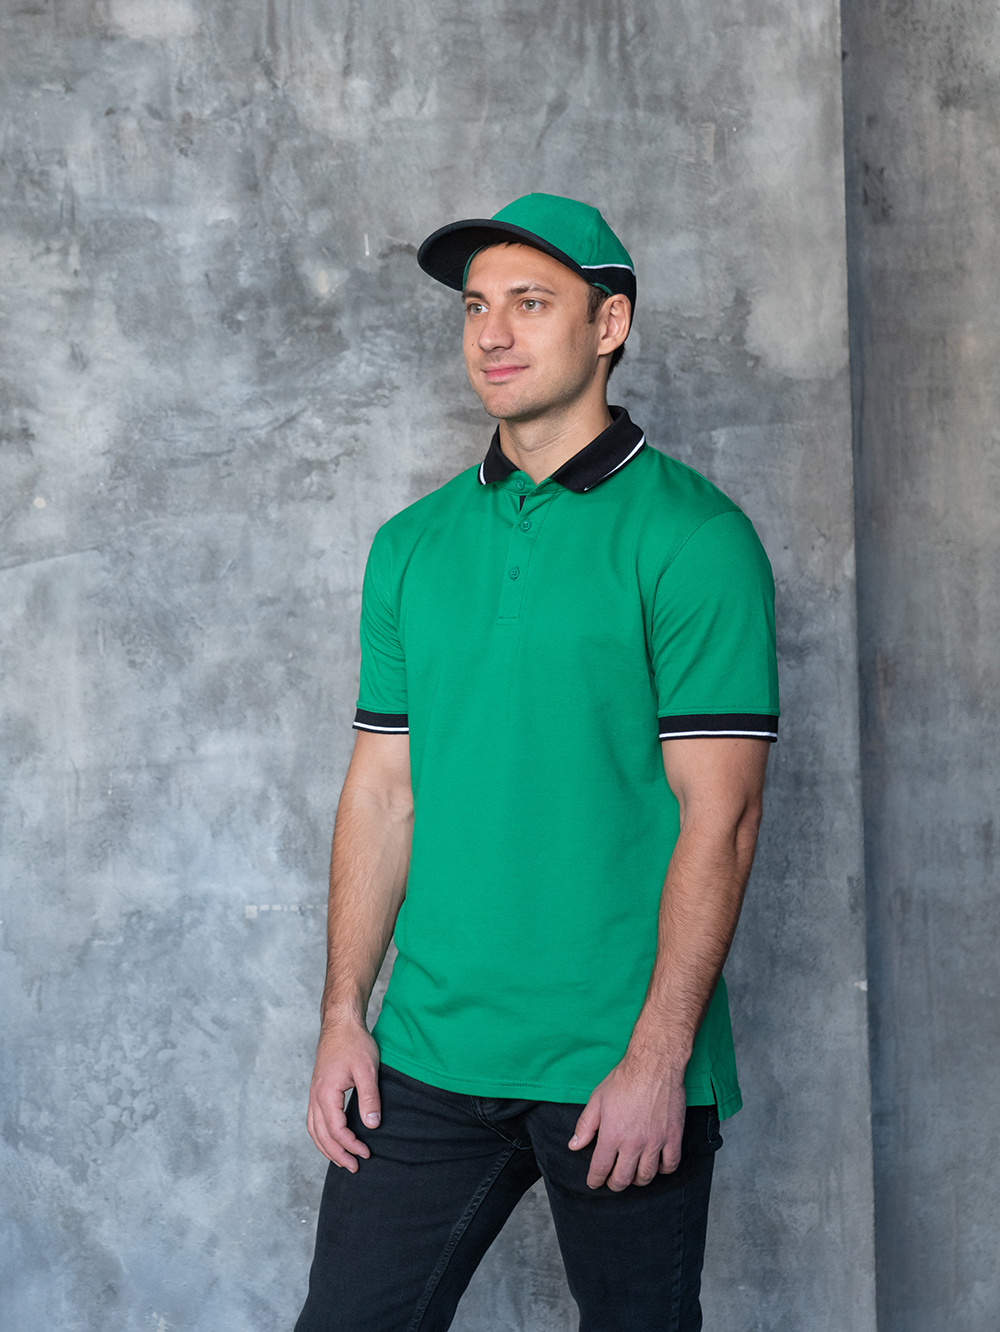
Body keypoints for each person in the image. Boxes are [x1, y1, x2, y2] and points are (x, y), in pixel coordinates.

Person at [294, 193, 779, 1332]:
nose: (493, 334)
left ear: (608, 325)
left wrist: (658, 1059)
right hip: (428, 1054)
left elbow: (722, 818)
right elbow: (383, 794)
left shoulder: (694, 538)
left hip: (616, 1060)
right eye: (475, 307)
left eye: (529, 303)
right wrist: (342, 1016)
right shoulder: (411, 545)